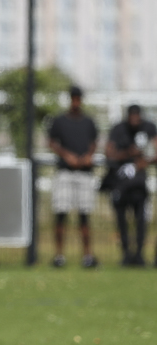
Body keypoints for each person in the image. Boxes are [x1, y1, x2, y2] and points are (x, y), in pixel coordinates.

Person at [47, 86, 99, 268]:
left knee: (84, 215)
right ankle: (59, 256)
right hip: (65, 172)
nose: (76, 102)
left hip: (84, 173)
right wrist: (67, 155)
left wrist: (88, 156)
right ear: (70, 99)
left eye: (78, 98)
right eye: (73, 98)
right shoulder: (59, 121)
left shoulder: (89, 121)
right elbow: (51, 142)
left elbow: (94, 142)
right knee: (61, 214)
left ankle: (87, 256)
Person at [104, 105, 157, 266]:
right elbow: (109, 152)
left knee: (141, 220)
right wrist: (129, 153)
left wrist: (142, 162)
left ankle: (139, 255)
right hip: (121, 184)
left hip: (139, 185)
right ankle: (126, 254)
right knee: (121, 219)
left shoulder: (149, 128)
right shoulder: (119, 129)